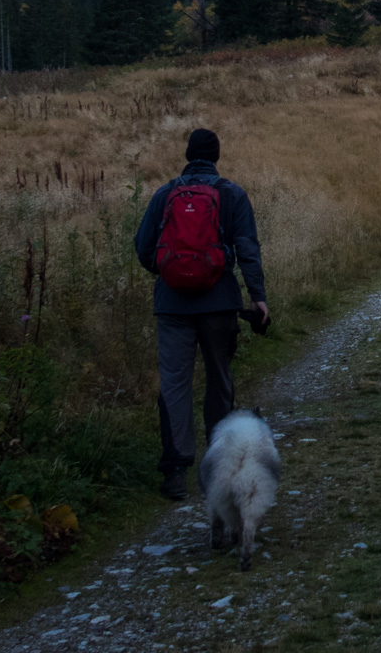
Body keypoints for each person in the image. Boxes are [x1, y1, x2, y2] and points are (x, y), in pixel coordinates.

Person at [134, 128, 269, 501]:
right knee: (219, 381)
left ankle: (175, 471)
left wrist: (171, 274)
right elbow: (248, 250)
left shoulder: (165, 194)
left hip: (172, 306)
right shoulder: (232, 194)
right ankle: (218, 462)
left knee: (175, 385)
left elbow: (144, 248)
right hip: (219, 304)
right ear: (216, 156)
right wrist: (258, 298)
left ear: (188, 154)